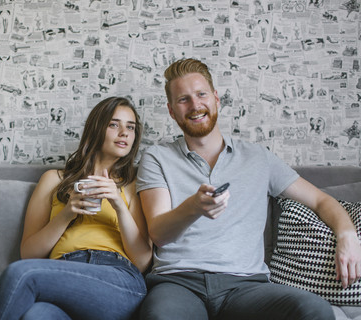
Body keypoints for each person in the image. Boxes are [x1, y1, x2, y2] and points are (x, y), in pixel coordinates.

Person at [136, 58, 361, 320]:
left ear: (216, 98)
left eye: (201, 94)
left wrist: (347, 235)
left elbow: (322, 201)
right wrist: (193, 207)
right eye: (183, 99)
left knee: (314, 310)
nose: (195, 105)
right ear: (172, 111)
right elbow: (159, 233)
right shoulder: (157, 157)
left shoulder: (258, 157)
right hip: (179, 284)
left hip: (246, 287)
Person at [0, 96, 152, 320]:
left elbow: (142, 262)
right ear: (96, 129)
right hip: (63, 273)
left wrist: (118, 204)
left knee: (19, 273)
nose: (124, 132)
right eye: (114, 124)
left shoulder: (134, 185)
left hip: (117, 280)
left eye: (130, 127)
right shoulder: (53, 180)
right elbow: (29, 253)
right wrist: (66, 214)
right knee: (36, 315)